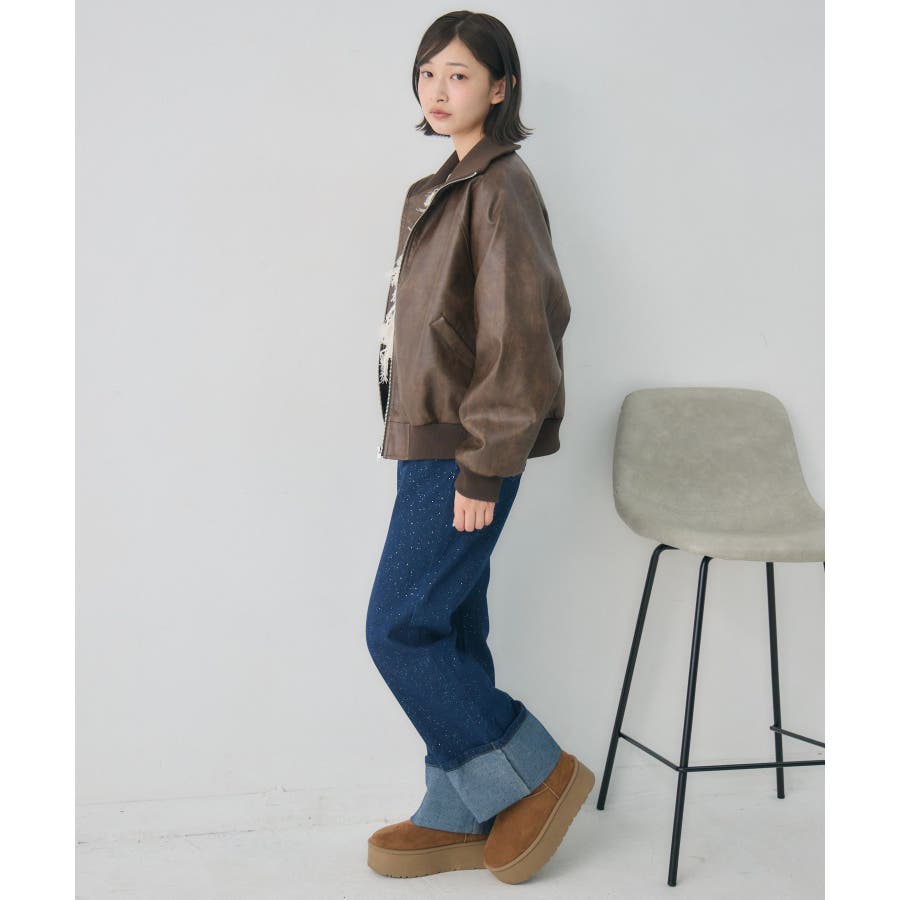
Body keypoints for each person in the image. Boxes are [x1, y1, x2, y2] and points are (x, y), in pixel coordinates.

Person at [365, 11, 593, 885]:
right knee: (451, 623)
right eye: (428, 72)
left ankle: (533, 769)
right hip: (428, 438)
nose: (438, 89)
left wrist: (486, 463)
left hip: (467, 444)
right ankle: (459, 807)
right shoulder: (438, 187)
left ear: (501, 87)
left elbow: (520, 332)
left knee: (398, 628)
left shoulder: (501, 186)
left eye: (458, 74)